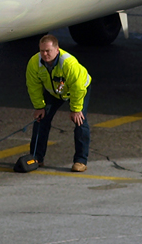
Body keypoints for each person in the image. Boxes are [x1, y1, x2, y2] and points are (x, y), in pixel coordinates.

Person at [23, 34, 91, 172]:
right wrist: (39, 107)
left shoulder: (69, 64)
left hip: (77, 89)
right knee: (40, 120)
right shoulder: (34, 62)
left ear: (57, 50)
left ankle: (80, 160)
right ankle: (36, 158)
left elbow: (77, 87)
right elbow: (33, 86)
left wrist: (76, 109)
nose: (45, 54)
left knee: (80, 121)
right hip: (54, 91)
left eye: (48, 51)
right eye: (42, 51)